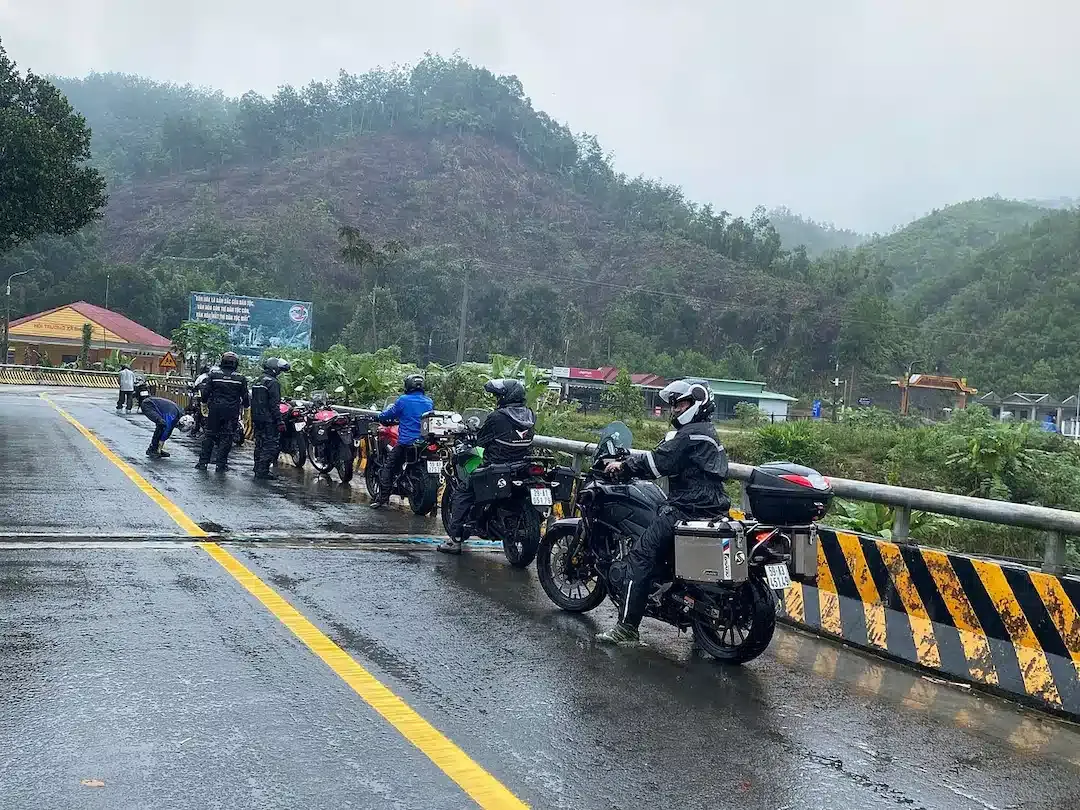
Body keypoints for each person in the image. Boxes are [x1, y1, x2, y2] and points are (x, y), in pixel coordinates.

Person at [596, 379, 730, 645]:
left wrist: (620, 467)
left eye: (681, 404)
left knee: (639, 557)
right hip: (714, 507)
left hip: (687, 508)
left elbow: (656, 463)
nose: (675, 410)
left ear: (698, 403)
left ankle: (626, 628)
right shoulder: (708, 432)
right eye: (674, 405)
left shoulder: (689, 435)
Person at [438, 378, 536, 555]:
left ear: (506, 397)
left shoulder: (497, 417)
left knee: (463, 490)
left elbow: (481, 440)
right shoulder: (530, 414)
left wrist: (470, 442)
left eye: (499, 396)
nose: (497, 399)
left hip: (495, 463)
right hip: (521, 464)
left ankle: (456, 541)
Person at [370, 374, 434, 507]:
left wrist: (379, 416)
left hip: (406, 442)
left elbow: (389, 414)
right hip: (424, 442)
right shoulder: (429, 401)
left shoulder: (403, 400)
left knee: (388, 467)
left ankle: (382, 498)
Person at [196, 351, 249, 472]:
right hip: (231, 412)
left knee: (209, 435)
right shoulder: (240, 378)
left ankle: (203, 463)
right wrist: (246, 410)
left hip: (215, 410)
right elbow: (245, 397)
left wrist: (204, 405)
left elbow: (205, 392)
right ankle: (221, 464)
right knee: (227, 437)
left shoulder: (214, 375)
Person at [251, 357, 290, 479]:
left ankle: (257, 467)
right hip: (268, 419)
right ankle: (262, 471)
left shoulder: (259, 380)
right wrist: (279, 421)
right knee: (270, 445)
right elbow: (274, 405)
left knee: (259, 443)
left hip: (257, 418)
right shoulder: (273, 382)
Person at [136, 384, 182, 457]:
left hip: (152, 403)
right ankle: (153, 449)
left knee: (162, 425)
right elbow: (167, 429)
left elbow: (169, 430)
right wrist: (162, 441)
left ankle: (156, 448)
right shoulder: (174, 415)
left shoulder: (178, 413)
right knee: (162, 424)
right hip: (148, 405)